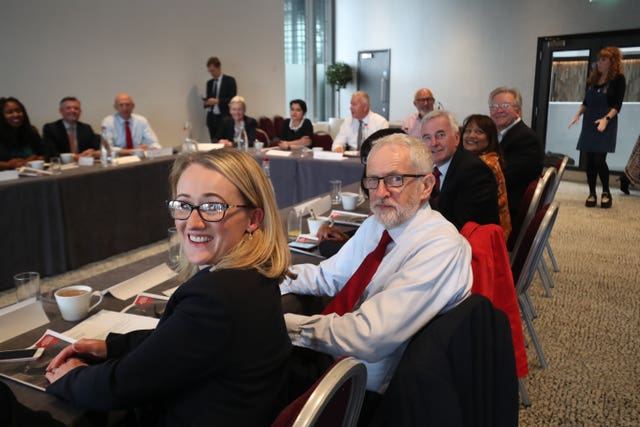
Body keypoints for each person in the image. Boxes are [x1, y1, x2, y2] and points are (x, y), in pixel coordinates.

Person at [45, 149, 292, 426]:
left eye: (212, 207)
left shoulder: (216, 298)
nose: (193, 222)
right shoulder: (253, 275)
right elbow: (178, 342)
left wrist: (71, 377)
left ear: (253, 219)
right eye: (184, 205)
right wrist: (110, 346)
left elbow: (118, 387)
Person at [281, 133, 472, 413]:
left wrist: (285, 325)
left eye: (395, 179)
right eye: (373, 180)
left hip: (375, 393)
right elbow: (328, 276)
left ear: (426, 185)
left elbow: (368, 337)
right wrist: (271, 277)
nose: (380, 192)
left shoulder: (441, 246)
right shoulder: (379, 225)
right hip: (343, 361)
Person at [422, 110, 500, 230]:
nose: (434, 143)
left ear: (457, 138)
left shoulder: (474, 171)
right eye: (427, 138)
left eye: (441, 135)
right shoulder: (426, 168)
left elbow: (461, 227)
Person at [569, 47, 626, 208]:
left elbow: (617, 105)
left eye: (603, 60)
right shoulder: (593, 79)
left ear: (612, 62)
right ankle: (592, 193)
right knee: (589, 160)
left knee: (599, 159)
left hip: (606, 121)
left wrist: (606, 119)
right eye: (599, 59)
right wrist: (577, 115)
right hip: (589, 122)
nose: (599, 63)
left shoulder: (618, 79)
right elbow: (586, 102)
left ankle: (606, 192)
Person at [489, 86, 543, 220]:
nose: (499, 110)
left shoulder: (525, 139)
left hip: (507, 210)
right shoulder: (500, 135)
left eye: (505, 105)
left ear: (518, 111)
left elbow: (502, 179)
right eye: (494, 106)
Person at [461, 114, 512, 241]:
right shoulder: (483, 158)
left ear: (490, 138)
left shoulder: (485, 164)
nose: (471, 135)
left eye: (479, 132)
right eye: (468, 131)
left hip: (490, 234)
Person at [0, 97, 43, 170]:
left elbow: (44, 154)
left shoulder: (31, 131)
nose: (16, 115)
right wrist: (8, 165)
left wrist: (29, 161)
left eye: (18, 111)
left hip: (34, 174)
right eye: (9, 112)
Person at [204, 57, 237, 142]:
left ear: (219, 68)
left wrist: (218, 101)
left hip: (225, 117)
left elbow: (232, 99)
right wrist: (207, 102)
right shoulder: (209, 83)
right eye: (209, 71)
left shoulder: (230, 80)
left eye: (213, 70)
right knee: (214, 143)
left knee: (225, 143)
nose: (211, 73)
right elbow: (209, 98)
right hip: (212, 118)